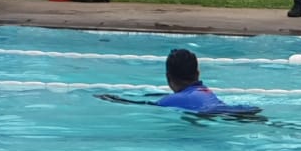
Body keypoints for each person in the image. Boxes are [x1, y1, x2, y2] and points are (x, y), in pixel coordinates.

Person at [97, 48, 262, 117]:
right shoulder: (203, 90)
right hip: (229, 113)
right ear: (198, 74)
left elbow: (145, 105)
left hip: (214, 115)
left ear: (168, 78)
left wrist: (115, 99)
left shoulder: (170, 101)